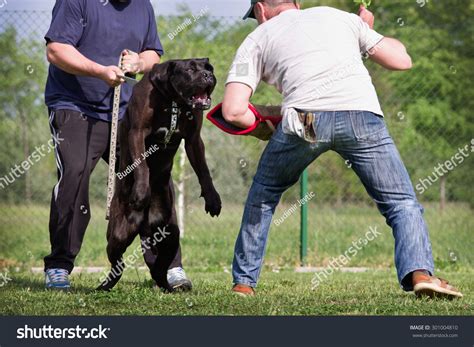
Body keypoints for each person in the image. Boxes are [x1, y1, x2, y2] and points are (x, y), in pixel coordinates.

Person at [222, 0, 463, 298]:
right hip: (360, 114)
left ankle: (243, 284)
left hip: (304, 120)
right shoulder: (342, 19)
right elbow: (402, 60)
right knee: (401, 202)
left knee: (264, 195)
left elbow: (233, 111)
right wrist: (364, 30)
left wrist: (263, 125)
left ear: (260, 9)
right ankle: (420, 275)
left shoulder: (259, 36)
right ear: (296, 2)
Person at [43, 0, 191, 291]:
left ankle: (170, 267)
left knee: (152, 180)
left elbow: (153, 53)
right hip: (75, 107)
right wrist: (99, 71)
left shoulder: (142, 6)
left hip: (127, 113)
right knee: (74, 173)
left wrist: (139, 63)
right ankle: (59, 265)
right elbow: (56, 50)